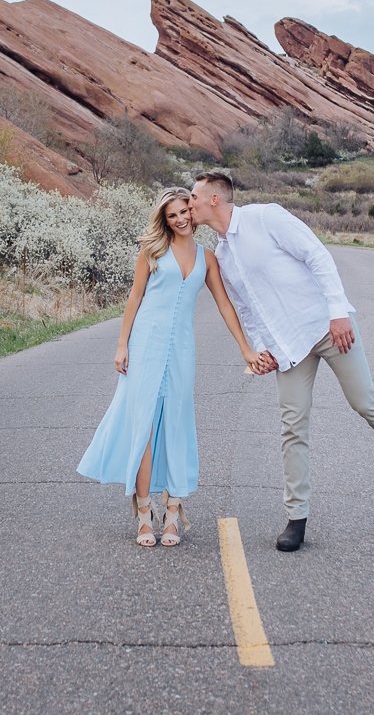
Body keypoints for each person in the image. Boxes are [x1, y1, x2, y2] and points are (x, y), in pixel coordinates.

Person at [188, 170, 374, 552]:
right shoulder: (222, 256)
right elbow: (249, 309)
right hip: (287, 346)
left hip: (326, 326)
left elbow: (316, 254)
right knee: (292, 426)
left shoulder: (265, 217)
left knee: (365, 401)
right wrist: (261, 348)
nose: (190, 203)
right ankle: (296, 518)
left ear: (214, 199)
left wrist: (338, 312)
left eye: (194, 197)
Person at [78, 187, 260, 546]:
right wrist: (121, 344)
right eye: (172, 215)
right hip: (145, 343)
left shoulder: (208, 257)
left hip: (181, 349)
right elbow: (136, 296)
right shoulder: (152, 251)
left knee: (176, 425)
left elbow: (224, 304)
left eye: (184, 212)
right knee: (144, 426)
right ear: (164, 219)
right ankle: (145, 516)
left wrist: (245, 348)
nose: (180, 219)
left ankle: (173, 515)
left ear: (193, 213)